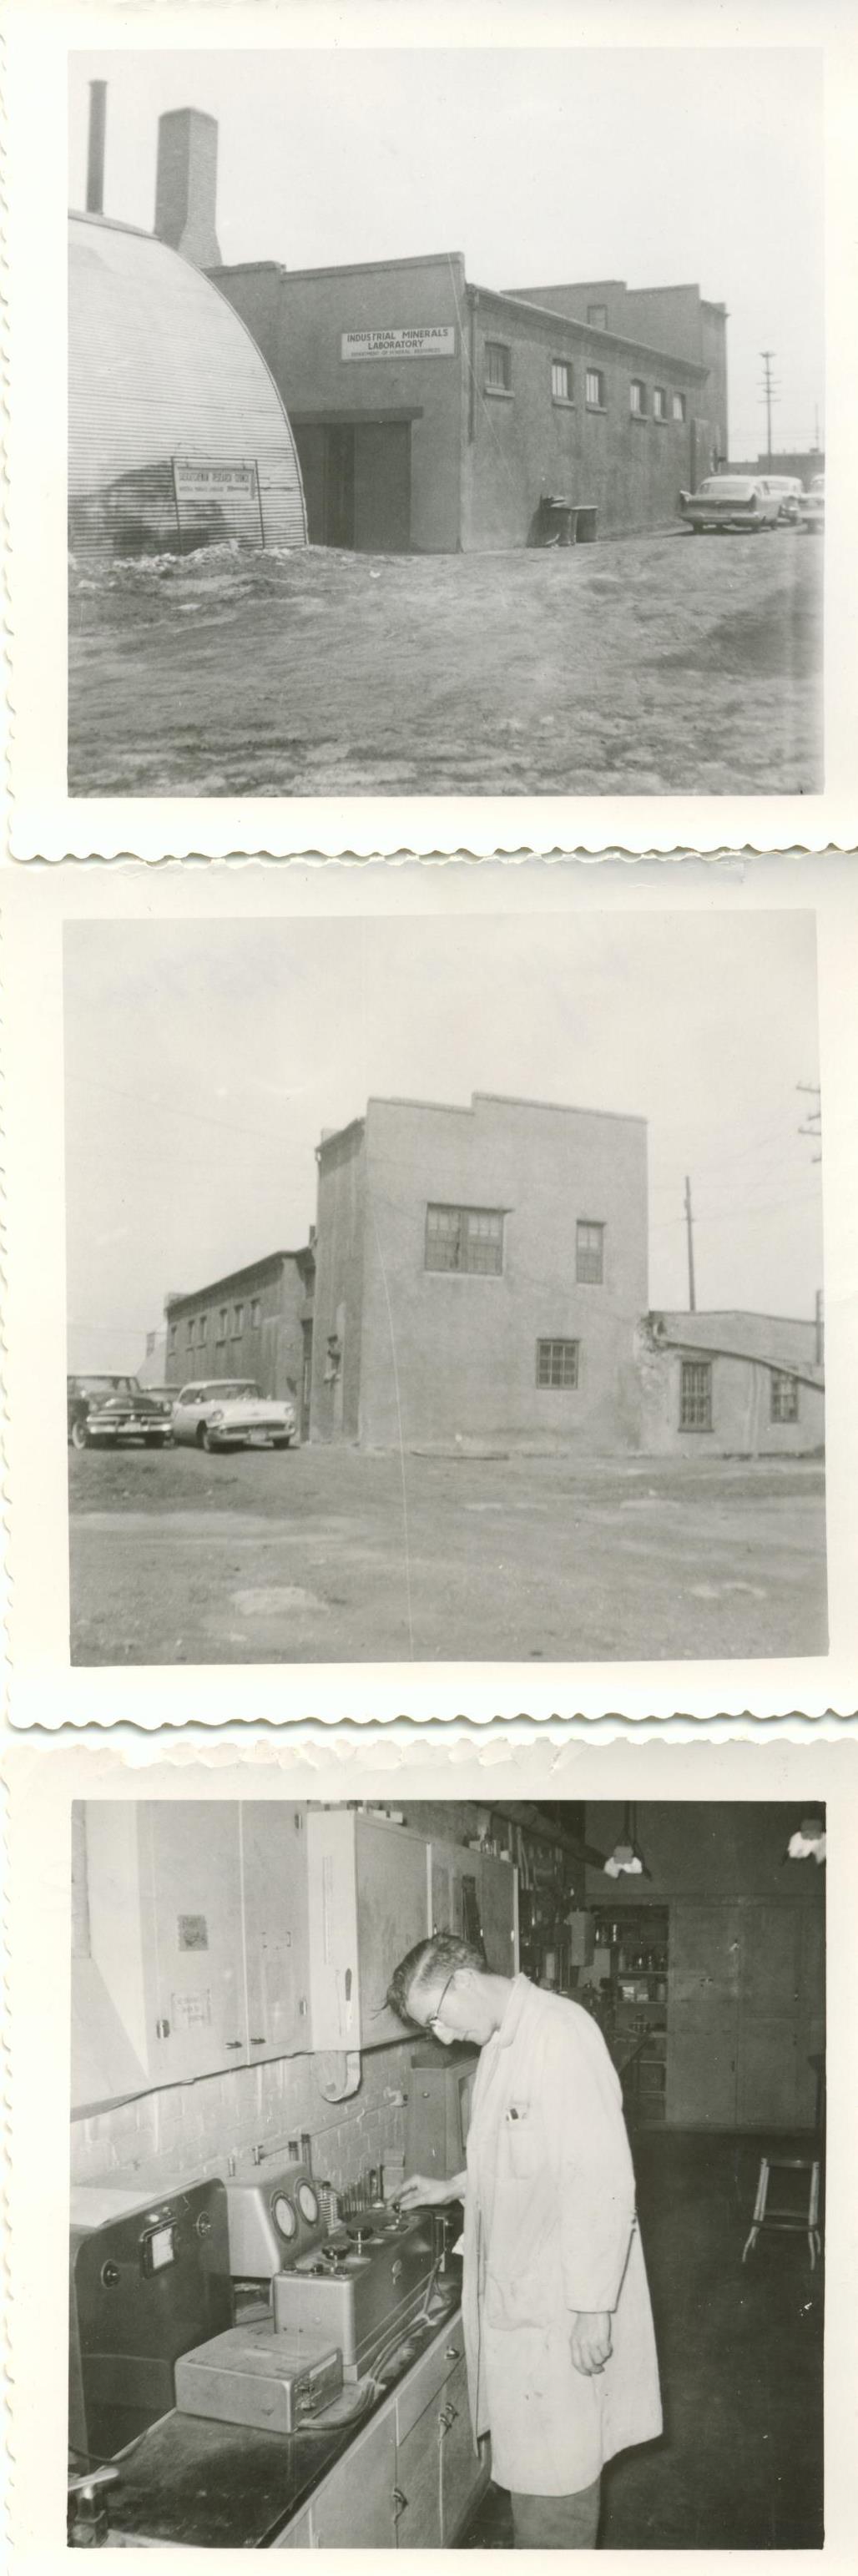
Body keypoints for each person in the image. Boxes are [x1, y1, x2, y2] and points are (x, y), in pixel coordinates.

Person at [386, 1933, 662, 2551]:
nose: (443, 2035)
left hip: (561, 2308)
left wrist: (594, 2308)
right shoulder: (499, 2048)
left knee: (557, 2497)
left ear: (462, 1983)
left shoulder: (560, 2033)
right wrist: (452, 2185)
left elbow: (603, 2177)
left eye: (437, 2016)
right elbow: (523, 2160)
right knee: (537, 2488)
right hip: (526, 2305)